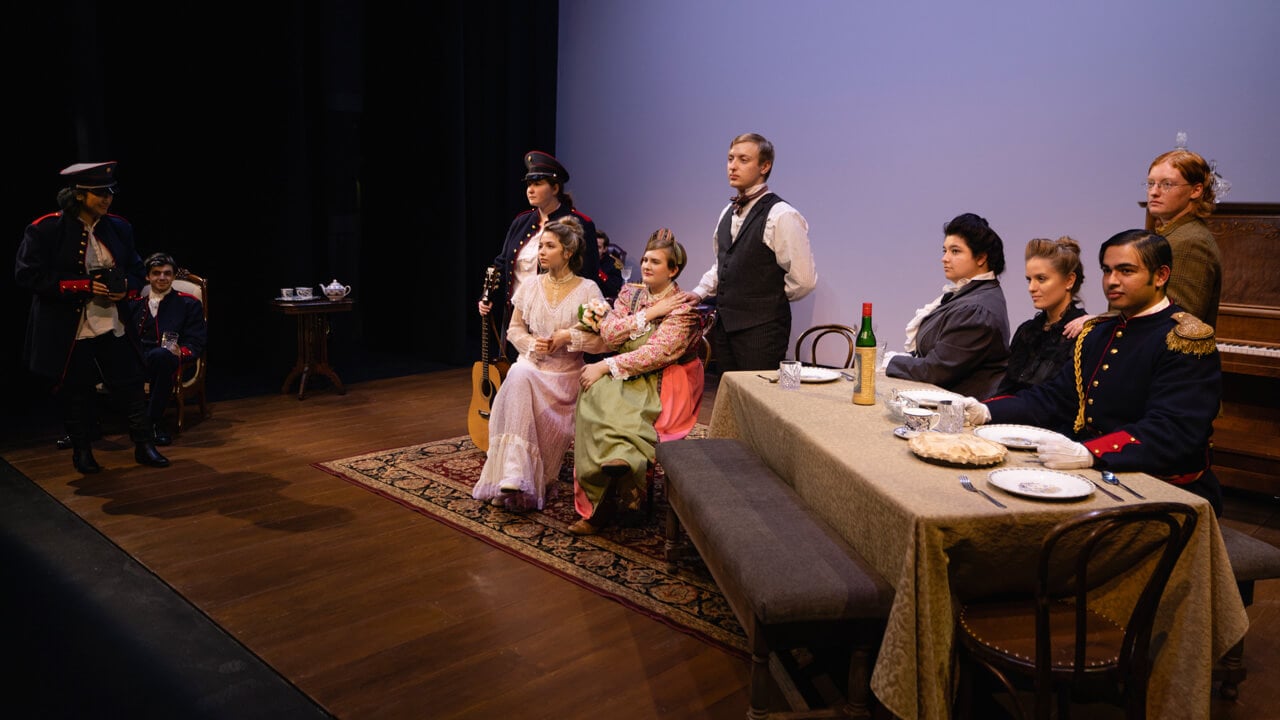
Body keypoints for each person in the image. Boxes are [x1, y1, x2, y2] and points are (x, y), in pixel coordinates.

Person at [960, 229, 1224, 514]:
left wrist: (1090, 452)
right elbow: (1053, 399)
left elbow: (1173, 430)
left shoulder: (1185, 339)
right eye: (1107, 271)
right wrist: (986, 411)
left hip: (1165, 489)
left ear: (1160, 276)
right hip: (1101, 473)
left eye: (1126, 271)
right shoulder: (1098, 334)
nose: (1112, 281)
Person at [14, 161, 169, 472]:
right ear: (79, 195)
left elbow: (137, 271)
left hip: (112, 321)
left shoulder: (120, 227)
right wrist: (83, 285)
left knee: (131, 383)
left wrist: (125, 287)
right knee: (77, 390)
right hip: (70, 326)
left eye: (110, 192)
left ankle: (143, 445)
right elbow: (28, 276)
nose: (107, 199)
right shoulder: (46, 229)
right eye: (100, 193)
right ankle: (82, 452)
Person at [569, 228, 706, 536]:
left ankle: (625, 467)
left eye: (655, 262)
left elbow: (657, 354)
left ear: (673, 270)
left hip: (663, 377)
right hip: (624, 369)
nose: (646, 265)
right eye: (645, 259)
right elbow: (610, 333)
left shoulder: (683, 307)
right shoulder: (631, 293)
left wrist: (606, 365)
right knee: (591, 397)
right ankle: (600, 493)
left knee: (620, 403)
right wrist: (649, 315)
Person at [472, 215, 605, 510]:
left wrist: (567, 337)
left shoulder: (588, 291)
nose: (541, 252)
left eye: (549, 246)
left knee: (520, 379)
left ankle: (525, 478)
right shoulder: (531, 285)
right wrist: (532, 344)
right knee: (518, 373)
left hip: (565, 374)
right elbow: (514, 329)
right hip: (532, 365)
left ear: (567, 253)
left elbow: (603, 342)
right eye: (541, 245)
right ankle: (514, 473)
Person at [684, 132, 817, 372]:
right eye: (730, 158)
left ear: (764, 166)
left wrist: (767, 299)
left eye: (743, 160)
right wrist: (699, 292)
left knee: (758, 402)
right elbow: (724, 263)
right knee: (731, 400)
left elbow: (804, 280)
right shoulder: (727, 212)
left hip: (762, 331)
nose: (733, 166)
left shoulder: (782, 214)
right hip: (725, 326)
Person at [883, 213, 1010, 399]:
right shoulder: (968, 294)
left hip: (961, 411)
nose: (945, 258)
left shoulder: (977, 309)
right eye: (945, 251)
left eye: (955, 251)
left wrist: (888, 362)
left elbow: (936, 370)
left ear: (981, 258)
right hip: (941, 398)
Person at [488, 151, 601, 354]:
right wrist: (487, 296)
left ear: (555, 188)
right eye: (528, 185)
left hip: (558, 324)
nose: (530, 190)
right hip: (519, 317)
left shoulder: (580, 223)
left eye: (538, 184)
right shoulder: (521, 222)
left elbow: (588, 274)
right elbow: (502, 263)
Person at [126, 252, 208, 445]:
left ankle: (151, 423)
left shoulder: (188, 303)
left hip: (168, 360)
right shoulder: (135, 304)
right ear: (147, 276)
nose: (162, 278)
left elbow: (197, 340)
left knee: (161, 356)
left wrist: (183, 352)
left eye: (167, 273)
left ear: (173, 275)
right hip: (137, 361)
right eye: (156, 273)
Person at [994, 237, 1088, 396]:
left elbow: (1059, 400)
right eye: (1029, 279)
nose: (1031, 288)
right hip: (1008, 415)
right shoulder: (1027, 331)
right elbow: (1005, 387)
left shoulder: (1082, 334)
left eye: (1041, 279)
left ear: (1069, 280)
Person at [1144, 148, 1222, 327]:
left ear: (1196, 190)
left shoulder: (1191, 242)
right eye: (1150, 184)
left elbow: (1178, 319)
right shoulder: (1172, 234)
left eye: (1167, 184)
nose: (1154, 192)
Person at [595, 229, 625, 300]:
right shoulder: (584, 261)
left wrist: (599, 273)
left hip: (604, 301)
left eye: (598, 247)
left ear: (605, 249)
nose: (595, 250)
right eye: (593, 246)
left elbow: (614, 289)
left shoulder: (614, 264)